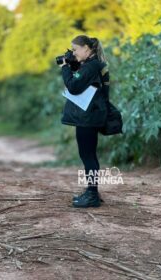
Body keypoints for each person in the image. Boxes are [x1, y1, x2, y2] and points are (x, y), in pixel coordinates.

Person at [59, 35, 110, 208]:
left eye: (75, 49)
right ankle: (92, 191)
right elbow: (82, 80)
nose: (73, 52)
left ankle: (92, 195)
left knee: (87, 155)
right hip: (90, 115)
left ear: (86, 48)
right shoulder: (92, 65)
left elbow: (73, 87)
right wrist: (74, 64)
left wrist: (65, 67)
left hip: (89, 117)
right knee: (89, 155)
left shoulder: (91, 66)